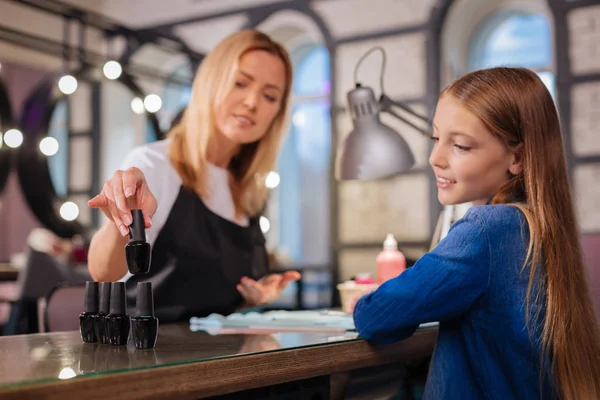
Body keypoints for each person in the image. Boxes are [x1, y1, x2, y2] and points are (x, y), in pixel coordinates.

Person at [353, 67, 600, 400]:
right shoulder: (540, 227)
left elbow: (375, 316)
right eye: (435, 138)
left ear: (517, 157)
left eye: (460, 146)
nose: (435, 158)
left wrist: (359, 299)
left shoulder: (485, 230)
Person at [87, 30, 300, 323]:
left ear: (277, 111)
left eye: (269, 95)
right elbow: (103, 273)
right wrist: (118, 220)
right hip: (148, 356)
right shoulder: (154, 164)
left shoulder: (248, 187)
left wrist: (252, 295)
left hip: (220, 357)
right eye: (240, 83)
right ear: (210, 83)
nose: (252, 102)